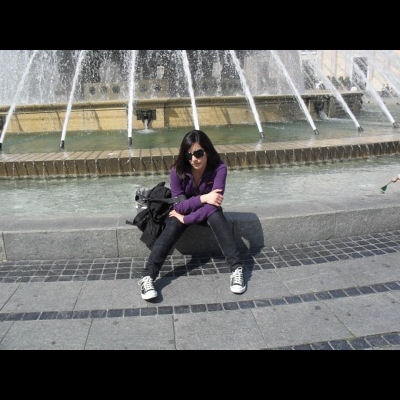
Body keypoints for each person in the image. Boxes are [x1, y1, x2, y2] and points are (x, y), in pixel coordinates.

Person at [138, 129, 246, 301]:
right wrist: (204, 198)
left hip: (205, 212)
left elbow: (213, 205)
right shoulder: (177, 171)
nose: (194, 159)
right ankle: (147, 277)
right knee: (173, 223)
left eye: (198, 153)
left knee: (216, 215)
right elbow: (180, 207)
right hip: (186, 210)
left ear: (207, 151)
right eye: (189, 155)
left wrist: (187, 218)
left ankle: (236, 269)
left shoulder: (219, 169)